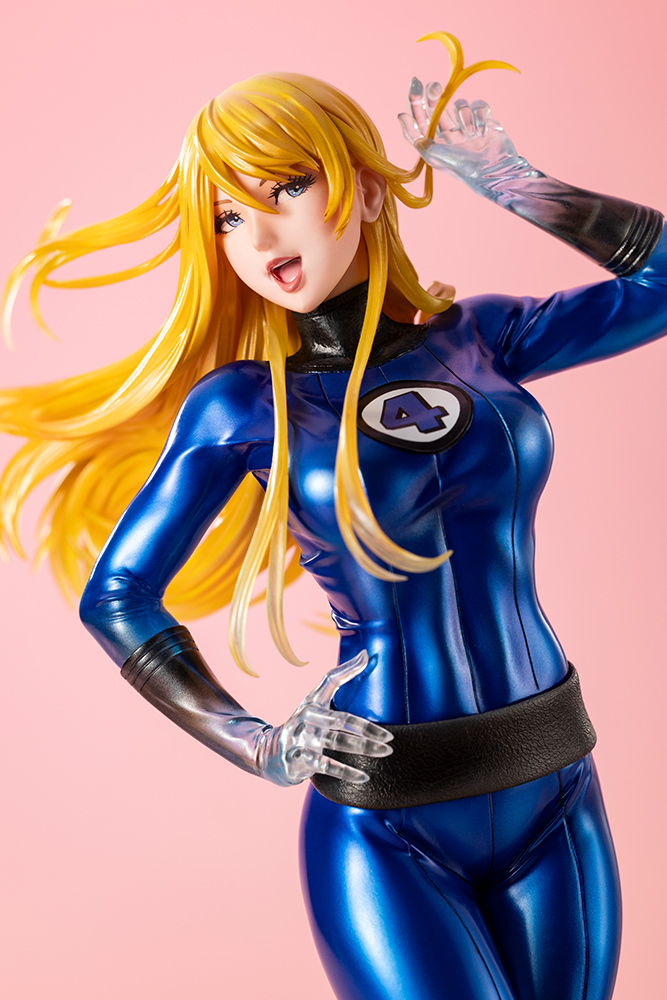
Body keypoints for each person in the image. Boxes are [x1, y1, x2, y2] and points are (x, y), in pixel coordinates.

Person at [2, 30, 665, 1000]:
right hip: (389, 821)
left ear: (363, 188)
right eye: (228, 216)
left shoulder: (477, 340)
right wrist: (255, 741)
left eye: (284, 188)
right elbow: (117, 594)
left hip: (552, 776)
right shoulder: (243, 406)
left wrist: (514, 183)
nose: (261, 237)